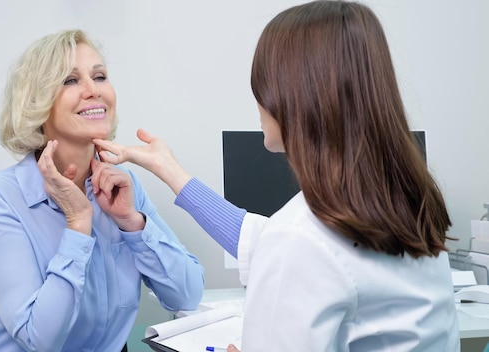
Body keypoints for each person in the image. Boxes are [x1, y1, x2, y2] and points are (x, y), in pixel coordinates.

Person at [93, 1, 460, 351]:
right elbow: (261, 238)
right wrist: (169, 169)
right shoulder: (409, 207)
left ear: (292, 94)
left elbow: (288, 245)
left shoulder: (300, 237)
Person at [0, 29, 205, 352]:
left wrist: (132, 223)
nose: (93, 91)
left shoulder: (123, 187)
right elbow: (39, 339)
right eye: (70, 81)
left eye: (99, 77)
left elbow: (188, 294)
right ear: (37, 104)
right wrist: (79, 223)